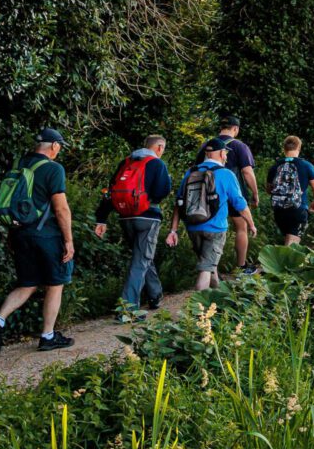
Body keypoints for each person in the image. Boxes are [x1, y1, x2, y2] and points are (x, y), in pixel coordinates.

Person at [0, 127, 76, 352]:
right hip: (47, 235)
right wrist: (68, 240)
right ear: (54, 146)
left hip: (20, 234)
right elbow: (61, 208)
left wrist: (11, 234)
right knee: (55, 283)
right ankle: (47, 335)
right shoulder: (53, 169)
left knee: (28, 283)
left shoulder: (18, 165)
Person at [91, 134, 173, 315]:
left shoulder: (126, 162)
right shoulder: (157, 163)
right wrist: (152, 199)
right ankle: (127, 309)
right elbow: (163, 191)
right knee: (140, 260)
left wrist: (101, 218)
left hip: (125, 217)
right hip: (148, 217)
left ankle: (155, 295)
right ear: (159, 147)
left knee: (142, 256)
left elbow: (110, 191)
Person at [166, 138, 253, 290]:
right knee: (205, 269)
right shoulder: (226, 174)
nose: (226, 156)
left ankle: (217, 299)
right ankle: (199, 308)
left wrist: (173, 230)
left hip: (193, 227)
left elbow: (178, 203)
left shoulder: (191, 172)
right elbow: (240, 204)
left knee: (211, 265)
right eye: (225, 153)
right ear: (220, 153)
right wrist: (251, 224)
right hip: (215, 229)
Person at [217, 116, 260, 275]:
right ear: (235, 129)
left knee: (214, 227)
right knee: (241, 228)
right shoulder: (239, 146)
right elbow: (247, 172)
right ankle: (241, 266)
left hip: (211, 193)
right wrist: (255, 193)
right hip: (235, 193)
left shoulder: (207, 145)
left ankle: (212, 268)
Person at [267, 136, 314, 245]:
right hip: (298, 208)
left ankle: (281, 260)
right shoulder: (306, 165)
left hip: (279, 210)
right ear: (299, 148)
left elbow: (269, 189)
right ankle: (286, 261)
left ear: (284, 148)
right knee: (292, 241)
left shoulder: (275, 166)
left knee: (288, 238)